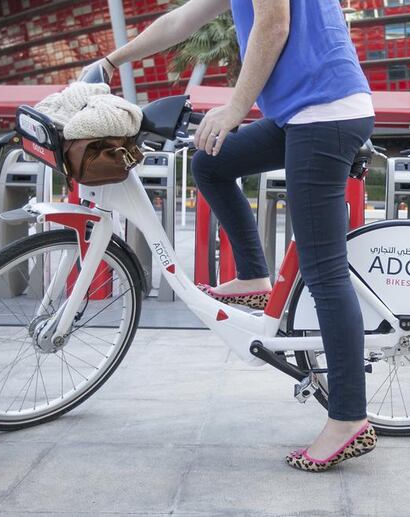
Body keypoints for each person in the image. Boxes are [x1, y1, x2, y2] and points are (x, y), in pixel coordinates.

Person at [84, 0, 376, 472]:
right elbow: (183, 20)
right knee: (210, 163)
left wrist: (235, 108)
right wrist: (111, 61)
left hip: (324, 114)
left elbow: (274, 22)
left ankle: (348, 418)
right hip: (300, 114)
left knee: (323, 271)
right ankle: (254, 279)